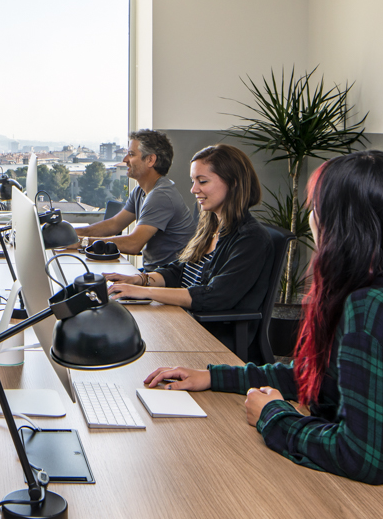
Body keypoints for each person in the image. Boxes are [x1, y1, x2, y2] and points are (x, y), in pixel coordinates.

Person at [144, 151, 383, 510]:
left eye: (316, 208)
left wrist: (273, 416)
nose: (311, 218)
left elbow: (362, 457)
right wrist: (213, 377)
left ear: (341, 225)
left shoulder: (371, 312)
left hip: (380, 514)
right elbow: (318, 376)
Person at [105, 143, 274, 359]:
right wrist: (141, 280)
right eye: (194, 181)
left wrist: (145, 293)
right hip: (183, 323)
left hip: (209, 340)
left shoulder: (251, 238)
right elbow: (179, 271)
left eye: (202, 181)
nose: (194, 190)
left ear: (233, 183)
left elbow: (213, 298)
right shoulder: (211, 225)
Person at [75, 129, 195, 268]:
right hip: (153, 273)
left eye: (131, 154)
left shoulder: (161, 195)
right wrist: (73, 235)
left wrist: (83, 242)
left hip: (170, 281)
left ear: (150, 160)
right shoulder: (140, 191)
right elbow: (114, 225)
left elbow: (134, 244)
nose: (125, 160)